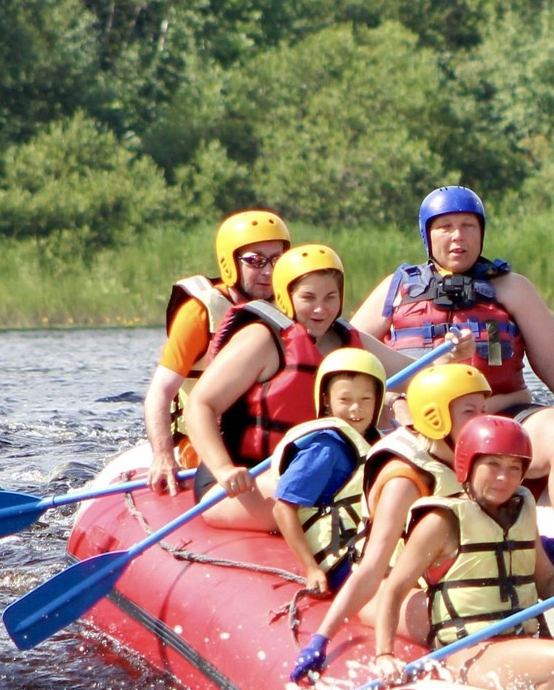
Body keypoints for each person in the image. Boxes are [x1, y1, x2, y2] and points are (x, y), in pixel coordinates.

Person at [353, 186, 554, 545]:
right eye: (445, 227)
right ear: (426, 234)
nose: (458, 236)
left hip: (505, 420)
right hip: (424, 431)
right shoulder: (395, 290)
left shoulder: (512, 289)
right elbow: (349, 359)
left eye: (468, 226)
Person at [290, 360, 497, 681]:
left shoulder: (474, 460)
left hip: (454, 579)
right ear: (435, 417)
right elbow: (371, 569)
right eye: (471, 412)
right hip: (389, 591)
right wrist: (322, 638)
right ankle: (476, 674)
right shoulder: (405, 480)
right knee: (466, 618)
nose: (483, 422)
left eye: (485, 410)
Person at [184, 244, 405, 533]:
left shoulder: (348, 339)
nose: (320, 308)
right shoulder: (262, 340)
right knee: (310, 497)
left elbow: (415, 372)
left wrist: (452, 355)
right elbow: (199, 405)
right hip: (244, 478)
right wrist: (224, 468)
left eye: (330, 297)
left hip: (316, 472)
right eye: (308, 297)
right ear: (286, 297)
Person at [369, 415, 554, 690]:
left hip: (520, 643)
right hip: (469, 652)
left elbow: (548, 582)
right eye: (493, 465)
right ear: (467, 465)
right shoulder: (441, 522)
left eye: (513, 468)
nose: (503, 477)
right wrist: (384, 654)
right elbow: (395, 588)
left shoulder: (521, 511)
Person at [142, 209, 288, 494]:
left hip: (266, 438)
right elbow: (159, 393)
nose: (268, 271)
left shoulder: (294, 308)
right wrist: (163, 456)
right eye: (255, 261)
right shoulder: (199, 312)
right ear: (230, 263)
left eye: (276, 260)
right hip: (202, 445)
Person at [265, 348, 388, 600]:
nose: (356, 409)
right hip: (342, 557)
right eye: (345, 400)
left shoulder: (377, 442)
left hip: (370, 547)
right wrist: (311, 569)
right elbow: (283, 508)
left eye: (366, 399)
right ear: (326, 400)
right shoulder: (324, 448)